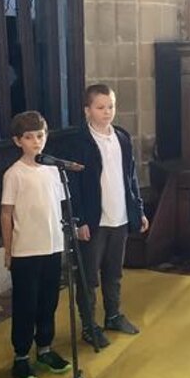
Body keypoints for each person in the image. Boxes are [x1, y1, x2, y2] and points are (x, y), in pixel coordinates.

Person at [59, 83, 151, 349]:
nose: (107, 112)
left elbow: (130, 178)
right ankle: (89, 326)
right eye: (100, 107)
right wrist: (78, 220)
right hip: (93, 220)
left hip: (119, 216)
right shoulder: (78, 142)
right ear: (87, 110)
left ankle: (113, 315)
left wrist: (138, 210)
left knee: (114, 273)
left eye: (110, 106)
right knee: (88, 277)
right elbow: (73, 185)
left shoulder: (122, 138)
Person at [0, 110, 73, 378]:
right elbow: (6, 213)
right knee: (25, 304)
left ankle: (45, 347)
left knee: (48, 301)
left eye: (40, 136)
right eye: (29, 137)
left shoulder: (53, 170)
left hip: (52, 246)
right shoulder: (14, 174)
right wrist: (8, 250)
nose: (36, 142)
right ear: (17, 141)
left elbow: (60, 206)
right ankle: (21, 355)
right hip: (25, 250)